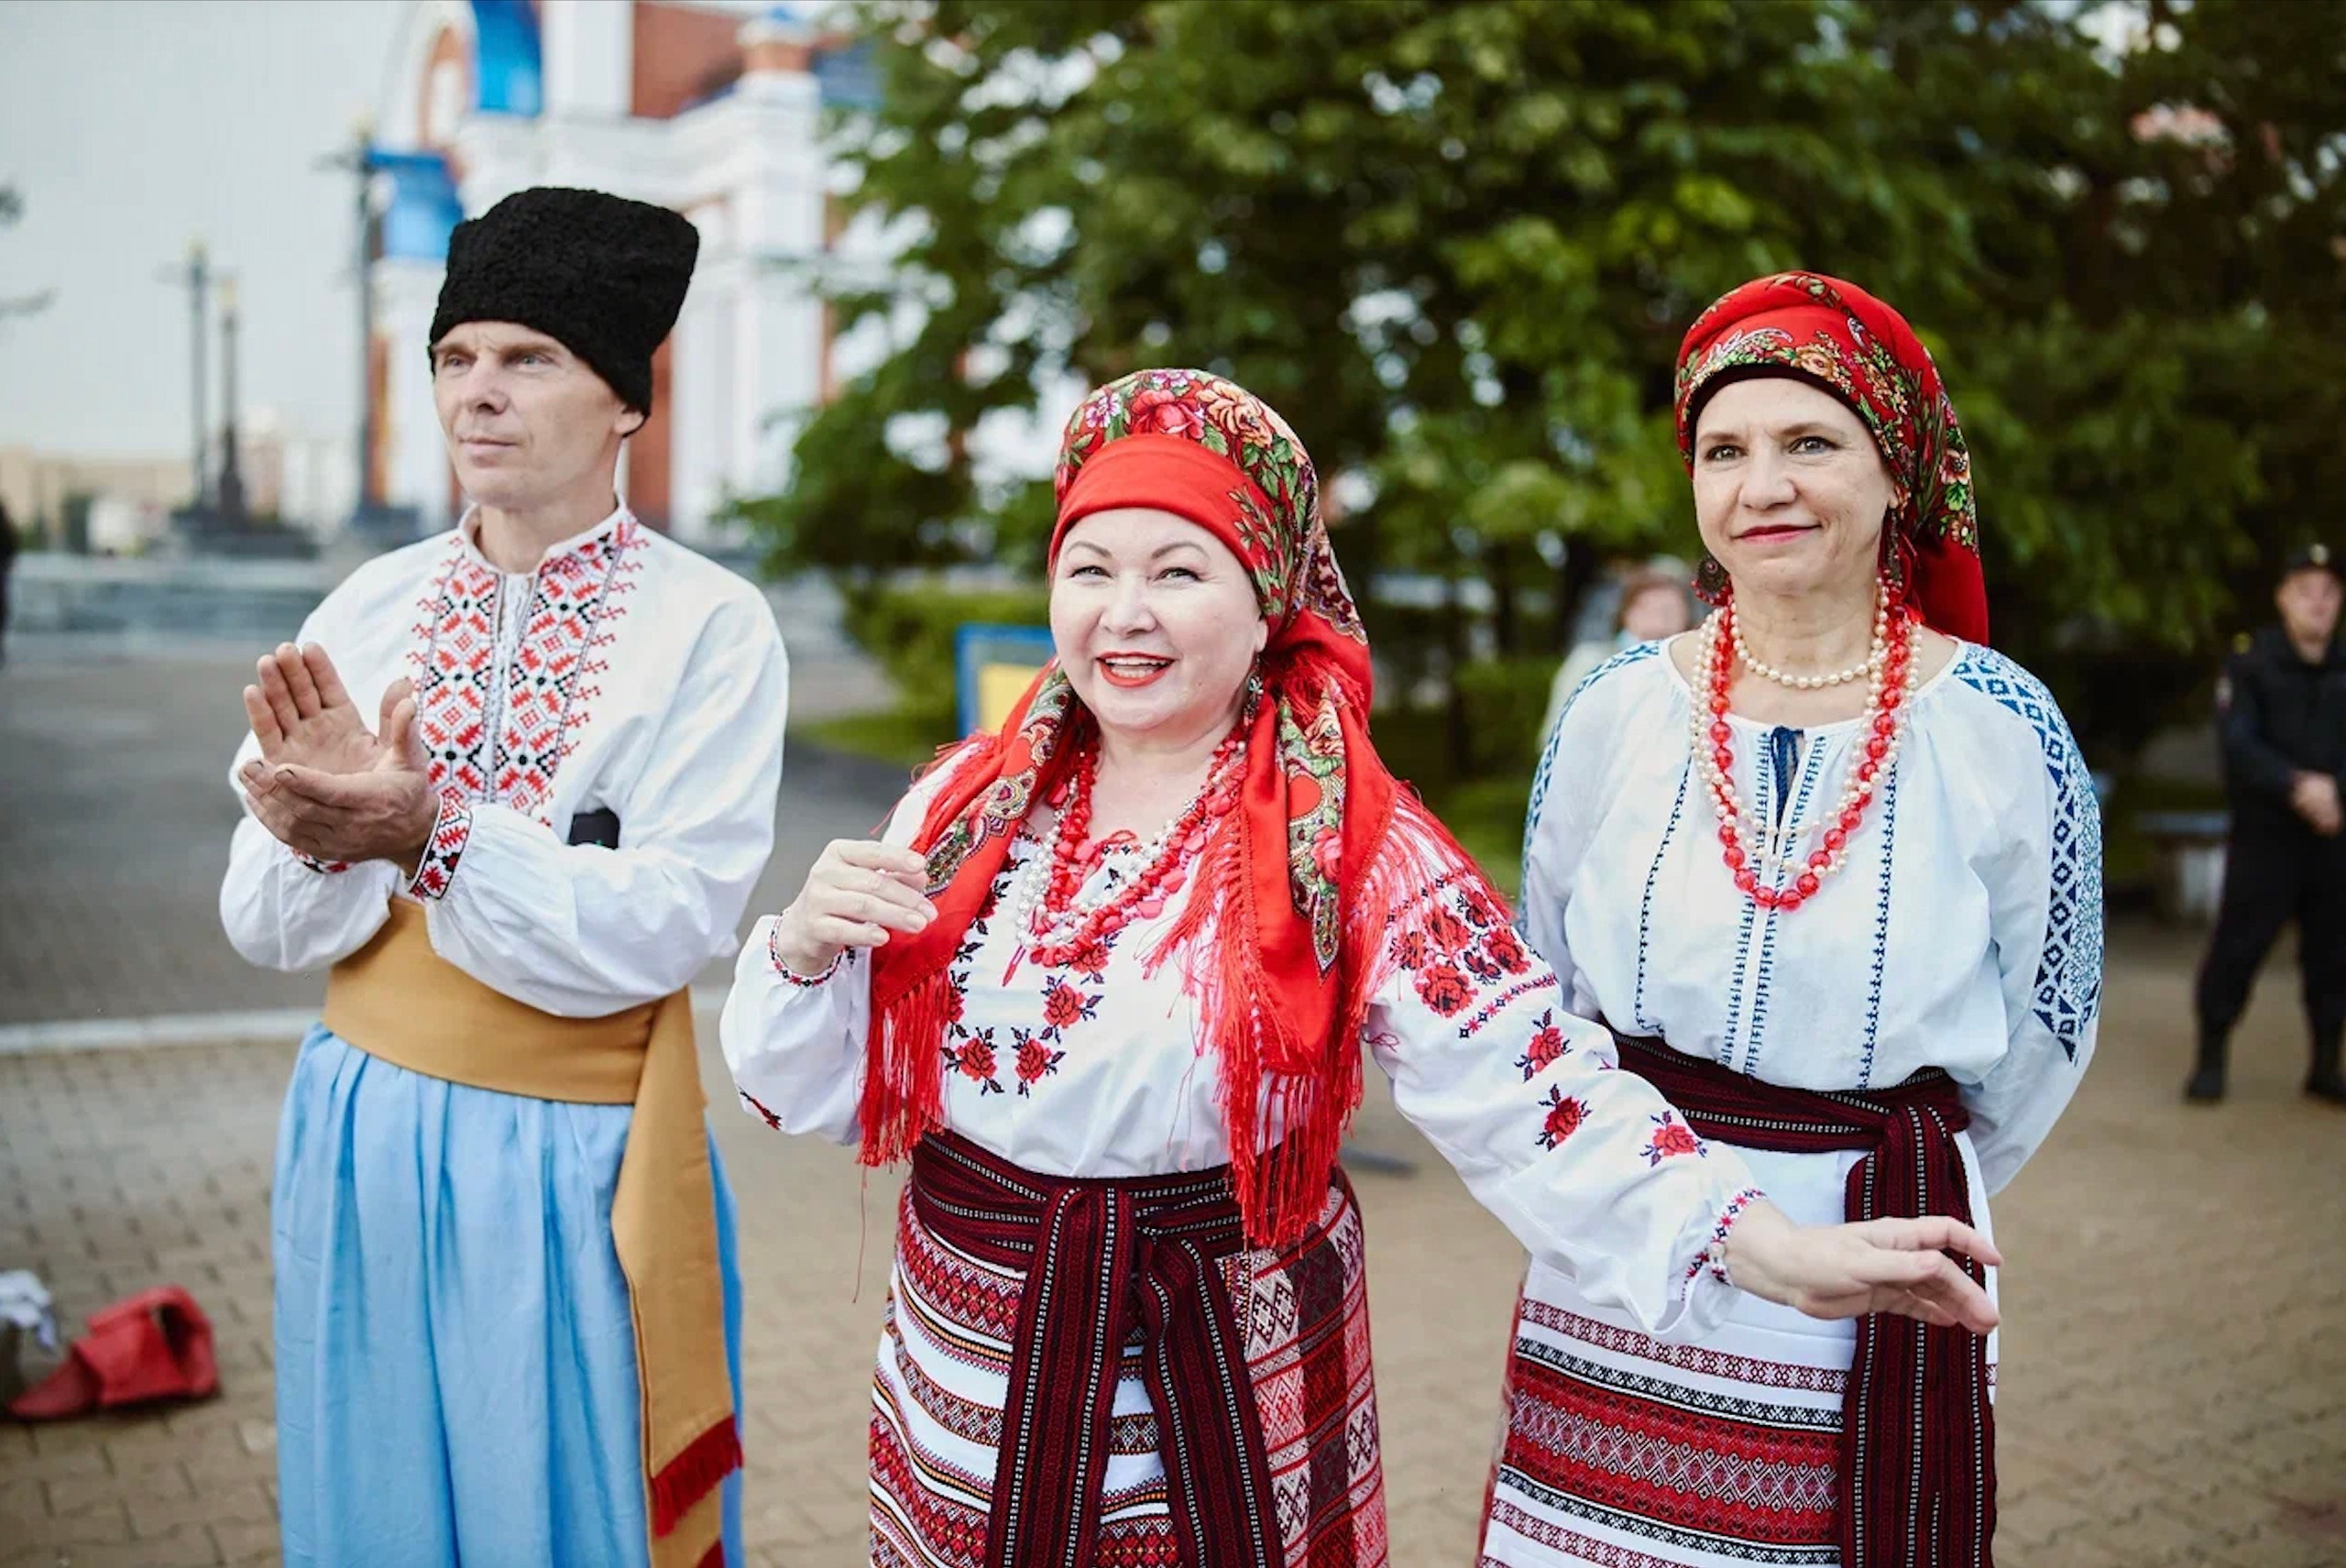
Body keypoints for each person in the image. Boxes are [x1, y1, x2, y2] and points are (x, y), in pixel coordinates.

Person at [723, 367, 1998, 1568]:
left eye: (1180, 568)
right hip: (966, 1376)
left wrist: (1765, 1244)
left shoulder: (1351, 842)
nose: (1125, 611)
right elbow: (817, 1095)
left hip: (1215, 1372)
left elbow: (1533, 1091)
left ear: (1266, 596)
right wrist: (796, 949)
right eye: (1091, 566)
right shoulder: (964, 803)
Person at [1490, 273, 2103, 1568]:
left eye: (1809, 442)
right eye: (1725, 451)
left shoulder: (2002, 725)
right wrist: (1644, 1184)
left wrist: (1888, 1175)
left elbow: (2051, 1023)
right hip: (1627, 1240)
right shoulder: (1614, 708)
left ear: (1900, 478)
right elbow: (1543, 986)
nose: (1760, 484)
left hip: (1879, 1245)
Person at [219, 187, 786, 1568]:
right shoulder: (365, 604)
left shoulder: (711, 627)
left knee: (575, 1509)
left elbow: (667, 922)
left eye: (528, 357)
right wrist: (321, 827)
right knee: (379, 1503)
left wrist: (431, 834)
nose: (479, 392)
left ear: (626, 400)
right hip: (362, 1135)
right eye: (456, 356)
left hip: (578, 1153)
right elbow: (253, 920)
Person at [2188, 543, 2346, 1104]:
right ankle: (2210, 1057)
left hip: (2333, 839)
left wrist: (2335, 792)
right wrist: (2300, 787)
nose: (2318, 603)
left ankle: (2326, 1063)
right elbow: (2238, 745)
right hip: (2267, 836)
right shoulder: (2250, 661)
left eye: (2328, 593)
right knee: (2239, 946)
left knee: (2334, 955)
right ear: (2284, 597)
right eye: (2306, 591)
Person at [1540, 563, 1693, 745]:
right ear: (1627, 613)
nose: (1658, 619)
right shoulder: (1591, 660)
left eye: (1668, 611)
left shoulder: (1695, 667)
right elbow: (1556, 732)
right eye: (1648, 609)